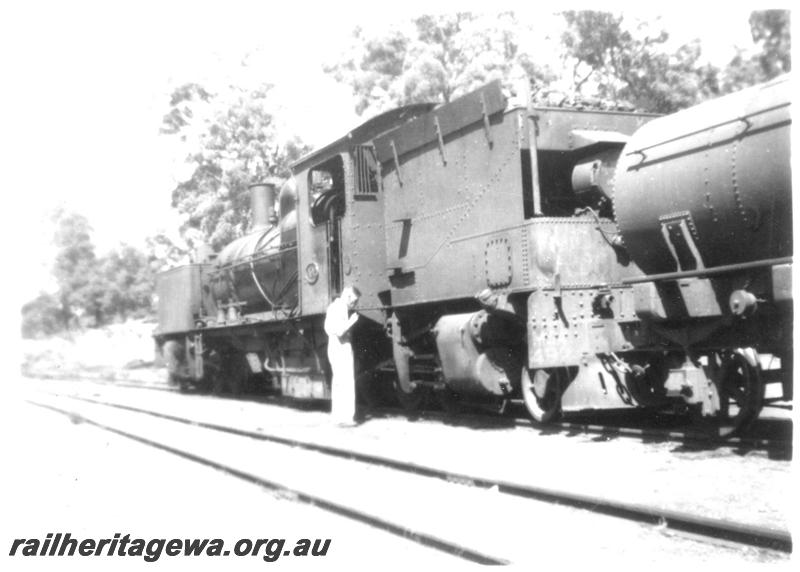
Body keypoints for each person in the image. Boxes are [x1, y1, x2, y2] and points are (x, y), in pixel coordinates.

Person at [324, 286, 361, 425]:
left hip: (333, 346)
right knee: (347, 382)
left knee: (338, 382)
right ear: (348, 296)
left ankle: (337, 417)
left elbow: (328, 328)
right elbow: (340, 331)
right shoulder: (341, 308)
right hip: (341, 346)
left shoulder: (332, 307)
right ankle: (346, 418)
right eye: (354, 301)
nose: (355, 304)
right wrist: (352, 321)